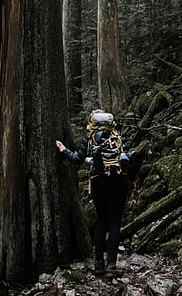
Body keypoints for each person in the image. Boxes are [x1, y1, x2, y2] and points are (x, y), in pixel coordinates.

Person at [56, 109, 135, 277]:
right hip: (118, 180)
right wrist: (131, 180)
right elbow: (127, 158)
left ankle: (99, 264)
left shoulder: (90, 136)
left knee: (101, 221)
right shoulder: (117, 133)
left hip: (98, 180)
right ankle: (111, 266)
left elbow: (78, 159)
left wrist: (64, 150)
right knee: (114, 223)